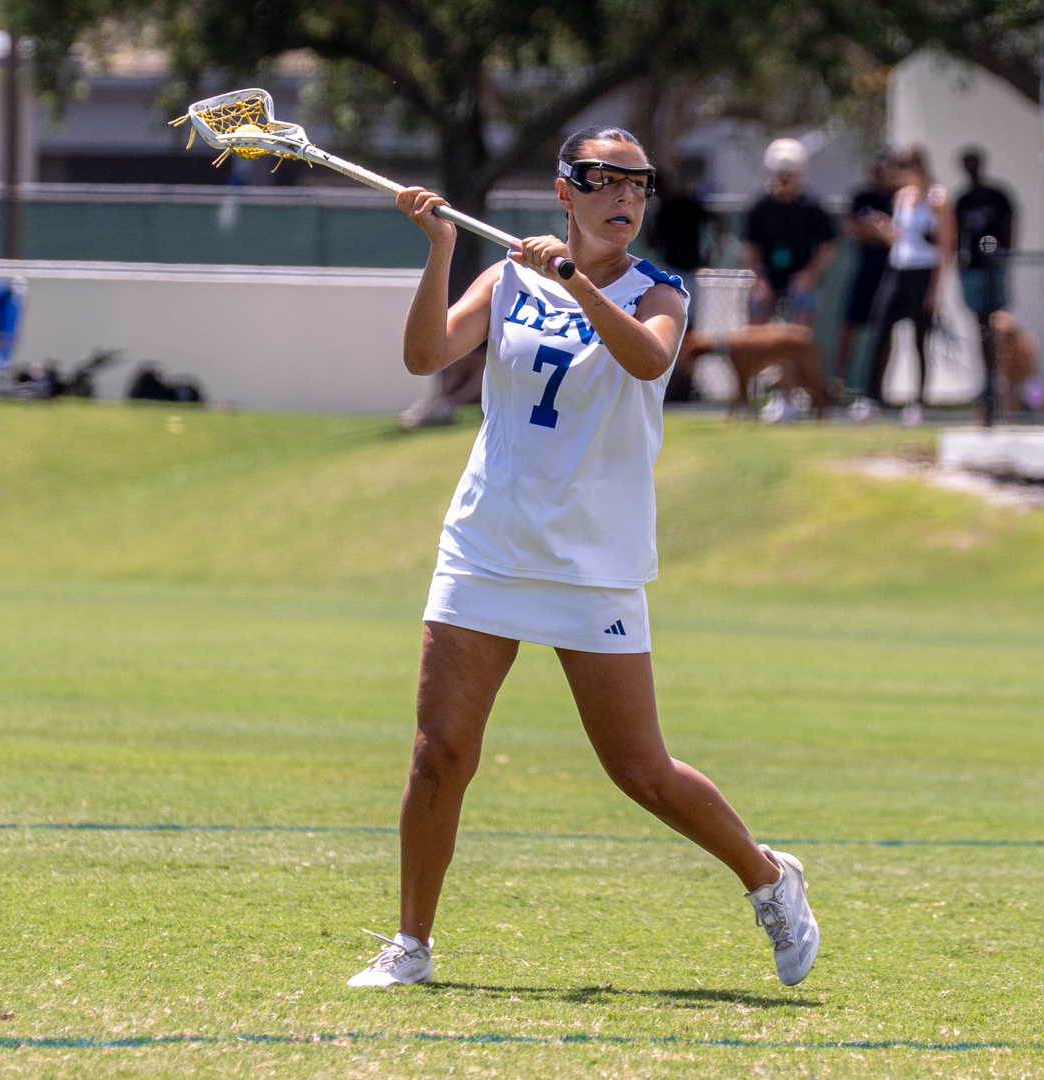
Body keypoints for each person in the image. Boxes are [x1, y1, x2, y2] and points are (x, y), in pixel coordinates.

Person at [353, 125, 820, 992]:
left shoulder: (661, 292)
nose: (624, 197)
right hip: (486, 544)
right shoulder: (506, 276)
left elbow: (646, 361)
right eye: (603, 181)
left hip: (590, 563)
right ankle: (411, 945)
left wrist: (571, 281)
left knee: (640, 770)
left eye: (639, 184)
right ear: (565, 192)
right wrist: (442, 251)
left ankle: (767, 876)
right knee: (438, 754)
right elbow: (424, 356)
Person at [863, 145, 955, 421]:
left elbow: (946, 246)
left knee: (919, 339)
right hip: (898, 268)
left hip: (923, 272)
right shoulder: (901, 197)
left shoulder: (937, 199)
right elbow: (901, 240)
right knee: (880, 333)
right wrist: (883, 230)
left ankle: (917, 402)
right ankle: (872, 396)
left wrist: (936, 290)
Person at [743, 138, 837, 327]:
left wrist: (810, 274)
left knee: (801, 325)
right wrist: (759, 278)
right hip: (768, 275)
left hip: (800, 275)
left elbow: (828, 245)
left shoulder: (811, 206)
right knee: (757, 320)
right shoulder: (760, 207)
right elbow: (750, 246)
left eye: (789, 176)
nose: (784, 181)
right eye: (780, 175)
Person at [955, 148, 1014, 423]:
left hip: (995, 269)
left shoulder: (997, 196)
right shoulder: (962, 200)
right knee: (980, 327)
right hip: (973, 270)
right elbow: (958, 236)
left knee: (998, 323)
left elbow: (1009, 226)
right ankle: (987, 380)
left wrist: (1005, 255)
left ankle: (1003, 378)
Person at [833, 148, 897, 394]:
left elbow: (897, 237)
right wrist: (876, 232)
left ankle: (877, 388)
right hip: (864, 271)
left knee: (885, 331)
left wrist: (881, 231)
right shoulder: (862, 197)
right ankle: (839, 382)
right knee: (849, 325)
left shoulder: (899, 198)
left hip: (890, 273)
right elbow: (853, 232)